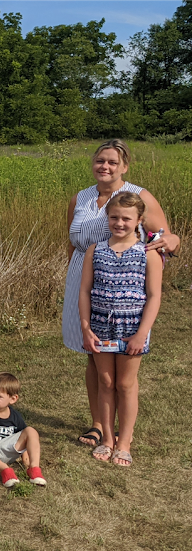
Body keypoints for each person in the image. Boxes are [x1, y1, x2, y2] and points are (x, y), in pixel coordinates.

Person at [63, 140, 179, 448]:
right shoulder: (81, 197)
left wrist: (170, 243)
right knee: (92, 355)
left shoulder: (137, 196)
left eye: (113, 162)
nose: (105, 166)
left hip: (122, 282)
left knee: (117, 370)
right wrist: (70, 275)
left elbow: (165, 236)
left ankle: (119, 435)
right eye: (101, 160)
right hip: (83, 276)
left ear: (124, 166)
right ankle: (99, 425)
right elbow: (72, 241)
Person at [79, 192, 162, 467]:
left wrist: (141, 333)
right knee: (106, 382)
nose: (119, 223)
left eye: (126, 218)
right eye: (114, 217)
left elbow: (153, 296)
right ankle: (107, 439)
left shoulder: (148, 254)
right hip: (101, 326)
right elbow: (85, 291)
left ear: (139, 220)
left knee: (125, 384)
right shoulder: (95, 250)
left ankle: (124, 442)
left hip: (132, 327)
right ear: (107, 218)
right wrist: (86, 327)